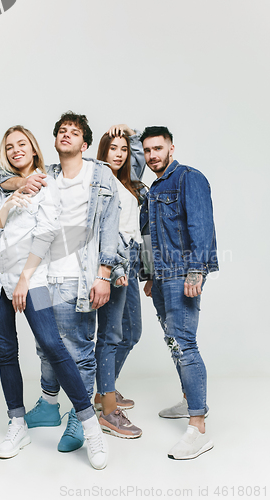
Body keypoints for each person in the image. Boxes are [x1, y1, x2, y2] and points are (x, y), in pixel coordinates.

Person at [0, 113, 122, 454]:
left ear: (85, 142)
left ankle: (81, 418)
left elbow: (110, 224)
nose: (66, 135)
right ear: (52, 141)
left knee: (76, 349)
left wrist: (104, 273)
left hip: (77, 276)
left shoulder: (99, 175)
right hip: (40, 275)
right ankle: (49, 405)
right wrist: (17, 184)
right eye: (61, 131)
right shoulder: (44, 175)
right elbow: (1, 178)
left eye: (74, 132)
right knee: (47, 348)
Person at [139, 126, 218, 460]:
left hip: (182, 274)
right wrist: (147, 274)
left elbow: (201, 225)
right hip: (160, 277)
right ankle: (189, 401)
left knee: (185, 344)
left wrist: (196, 271)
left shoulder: (188, 178)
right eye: (147, 150)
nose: (153, 155)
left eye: (159, 148)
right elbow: (148, 235)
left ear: (171, 148)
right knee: (174, 341)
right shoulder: (153, 188)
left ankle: (197, 427)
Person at [93, 124, 146, 438]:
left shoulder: (127, 182)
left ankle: (105, 388)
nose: (120, 154)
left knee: (132, 332)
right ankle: (108, 408)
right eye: (113, 148)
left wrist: (130, 133)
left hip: (132, 262)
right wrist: (114, 270)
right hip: (115, 264)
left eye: (123, 149)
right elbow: (104, 233)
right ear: (103, 152)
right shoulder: (100, 183)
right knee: (111, 335)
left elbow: (137, 158)